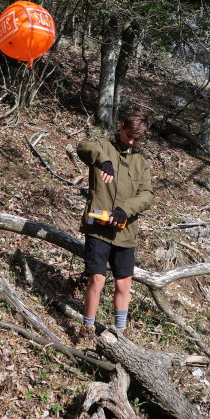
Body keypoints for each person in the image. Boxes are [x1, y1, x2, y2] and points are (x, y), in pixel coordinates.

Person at [76, 111, 153, 342]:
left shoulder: (141, 163)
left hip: (125, 231)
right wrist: (104, 160)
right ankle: (87, 329)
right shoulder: (102, 146)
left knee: (124, 282)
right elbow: (83, 147)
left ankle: (120, 334)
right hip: (98, 229)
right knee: (97, 279)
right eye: (129, 136)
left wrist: (125, 210)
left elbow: (147, 195)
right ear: (121, 127)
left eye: (136, 140)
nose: (131, 142)